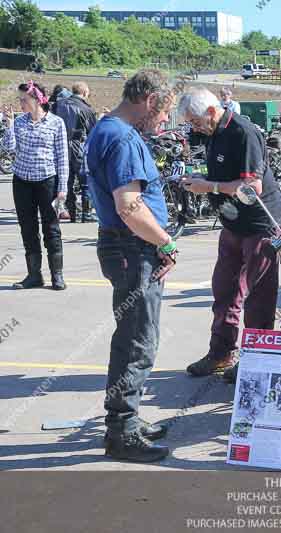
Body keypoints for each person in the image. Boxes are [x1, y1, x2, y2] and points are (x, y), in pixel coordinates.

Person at [83, 69, 178, 461]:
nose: (164, 121)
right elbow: (130, 207)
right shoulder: (122, 138)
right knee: (139, 341)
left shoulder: (107, 129)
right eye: (163, 112)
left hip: (123, 247)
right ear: (149, 101)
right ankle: (121, 430)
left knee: (131, 336)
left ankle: (128, 418)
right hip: (132, 249)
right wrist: (165, 241)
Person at [178, 87, 281, 382]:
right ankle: (221, 353)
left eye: (197, 122)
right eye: (191, 123)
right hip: (233, 223)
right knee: (224, 289)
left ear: (212, 111)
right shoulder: (214, 131)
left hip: (260, 222)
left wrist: (210, 186)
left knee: (259, 298)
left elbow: (252, 188)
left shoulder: (244, 131)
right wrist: (203, 179)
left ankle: (258, 360)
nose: (195, 128)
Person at [2, 82, 69, 291]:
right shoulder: (19, 122)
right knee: (28, 228)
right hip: (22, 181)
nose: (20, 103)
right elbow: (9, 148)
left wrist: (63, 187)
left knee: (51, 228)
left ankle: (56, 275)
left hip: (47, 181)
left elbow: (62, 157)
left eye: (24, 99)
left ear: (37, 100)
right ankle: (34, 275)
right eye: (20, 99)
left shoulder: (56, 123)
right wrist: (9, 126)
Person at [58, 82, 97, 223]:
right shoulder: (86, 109)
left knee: (67, 181)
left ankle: (72, 213)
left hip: (60, 147)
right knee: (85, 182)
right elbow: (94, 132)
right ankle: (86, 214)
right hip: (79, 146)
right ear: (85, 92)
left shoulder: (58, 105)